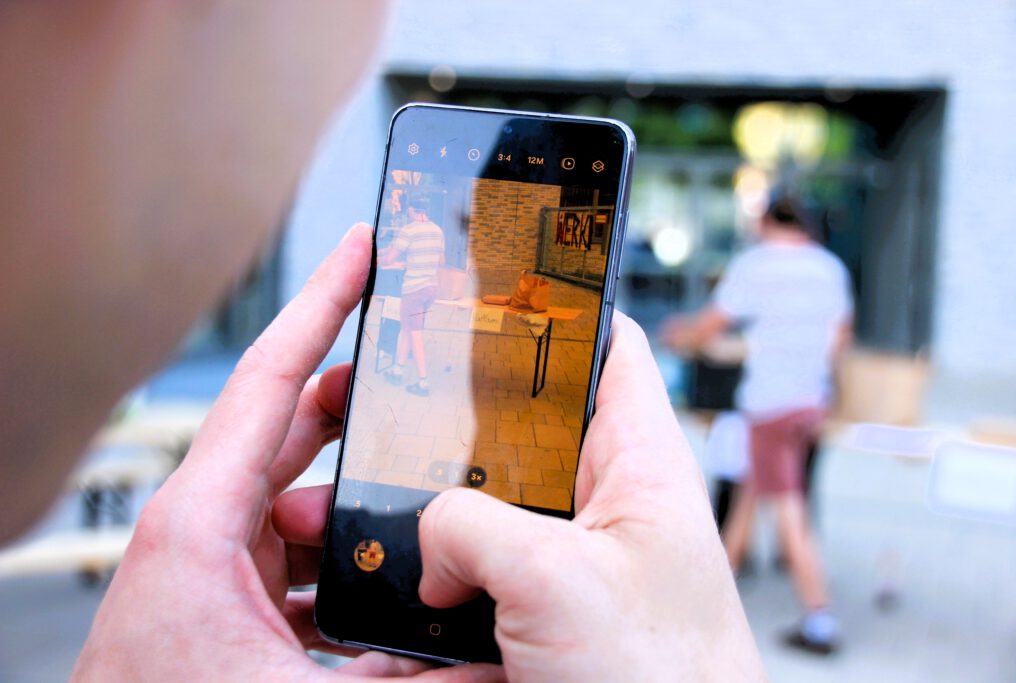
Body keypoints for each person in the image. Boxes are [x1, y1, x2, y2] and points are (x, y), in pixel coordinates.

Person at [1, 4, 765, 680]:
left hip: (419, 309)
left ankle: (411, 375)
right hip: (425, 312)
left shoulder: (424, 238)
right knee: (406, 355)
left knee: (402, 354)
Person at [662, 193, 854, 655]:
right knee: (748, 496)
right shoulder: (830, 267)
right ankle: (714, 595)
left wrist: (679, 334)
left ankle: (819, 619)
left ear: (768, 220)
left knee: (788, 510)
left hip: (770, 404)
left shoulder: (757, 263)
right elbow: (840, 335)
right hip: (810, 400)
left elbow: (712, 324)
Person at [379, 195, 446, 396]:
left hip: (414, 290)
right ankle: (397, 370)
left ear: (411, 210)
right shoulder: (438, 230)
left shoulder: (408, 230)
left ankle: (423, 382)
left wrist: (374, 259)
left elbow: (389, 258)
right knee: (407, 328)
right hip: (430, 288)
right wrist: (414, 262)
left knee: (415, 334)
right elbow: (440, 261)